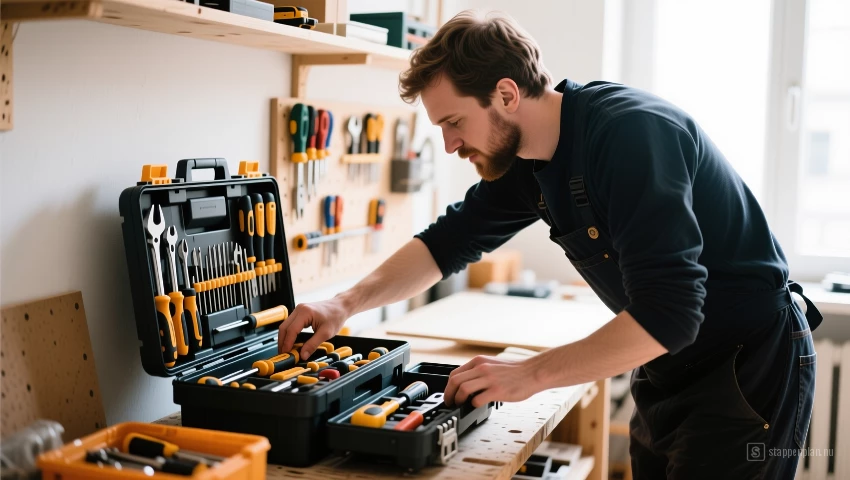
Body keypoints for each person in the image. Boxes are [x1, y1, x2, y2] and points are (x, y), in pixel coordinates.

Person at [279, 10, 822, 479]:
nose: (448, 144)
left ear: (506, 94)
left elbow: (671, 315)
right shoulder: (527, 164)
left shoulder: (630, 136)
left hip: (747, 365)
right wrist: (343, 303)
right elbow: (446, 244)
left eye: (454, 122)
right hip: (666, 366)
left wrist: (528, 374)